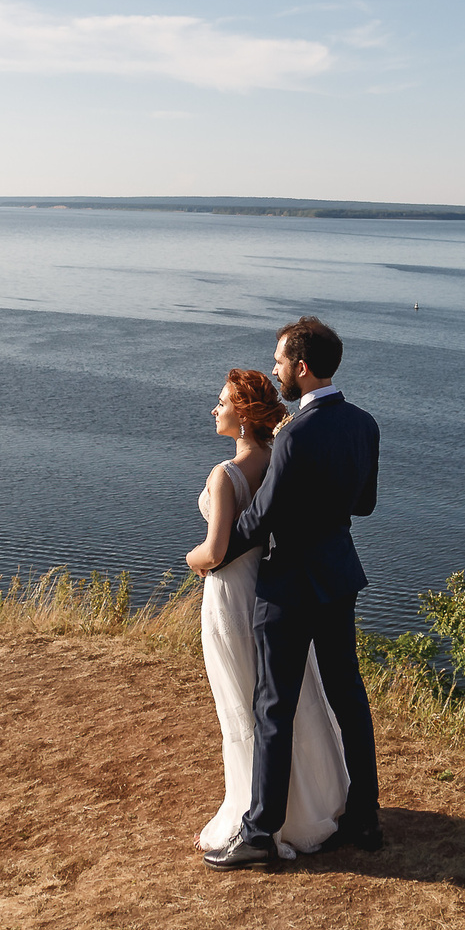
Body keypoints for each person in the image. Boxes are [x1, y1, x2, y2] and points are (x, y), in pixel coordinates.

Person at [192, 314, 384, 869]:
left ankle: (258, 833)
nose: (276, 370)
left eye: (279, 361)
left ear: (300, 367)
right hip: (339, 574)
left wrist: (214, 554)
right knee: (347, 695)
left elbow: (262, 519)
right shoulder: (364, 424)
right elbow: (364, 503)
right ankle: (364, 817)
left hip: (289, 585)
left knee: (274, 704)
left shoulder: (295, 435)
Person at [183, 367, 348, 858]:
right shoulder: (280, 461)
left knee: (240, 701)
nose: (215, 409)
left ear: (245, 414)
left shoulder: (225, 474)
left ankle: (249, 811)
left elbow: (215, 552)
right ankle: (308, 804)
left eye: (222, 402)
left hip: (231, 596)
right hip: (272, 589)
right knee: (281, 702)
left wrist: (190, 559)